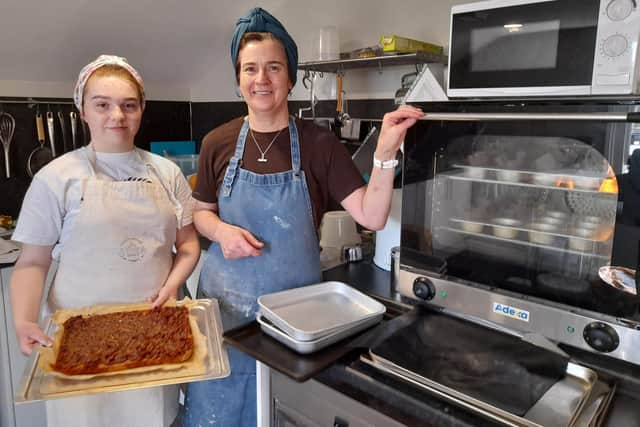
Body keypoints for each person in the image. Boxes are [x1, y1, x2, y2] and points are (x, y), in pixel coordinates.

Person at [183, 7, 422, 427]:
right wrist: (221, 232)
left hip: (294, 326)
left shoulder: (318, 144)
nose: (262, 79)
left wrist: (384, 153)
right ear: (238, 79)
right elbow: (200, 214)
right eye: (250, 69)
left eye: (273, 67)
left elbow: (373, 214)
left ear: (290, 77)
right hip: (225, 319)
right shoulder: (216, 143)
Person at [10, 54, 200, 427]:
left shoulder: (166, 172)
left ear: (142, 109)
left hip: (152, 333)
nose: (118, 116)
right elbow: (33, 262)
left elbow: (189, 246)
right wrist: (23, 319)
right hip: (77, 340)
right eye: (103, 105)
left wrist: (173, 285)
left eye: (129, 105)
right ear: (83, 110)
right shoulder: (55, 179)